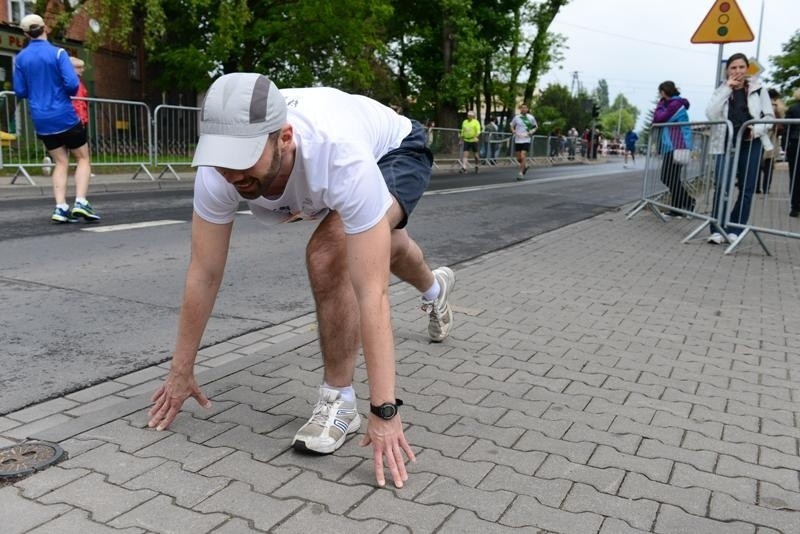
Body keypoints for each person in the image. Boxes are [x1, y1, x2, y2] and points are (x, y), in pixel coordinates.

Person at [145, 73, 456, 489]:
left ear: (285, 138)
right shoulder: (218, 173)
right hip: (345, 171)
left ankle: (339, 402)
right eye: (223, 159)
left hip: (394, 150)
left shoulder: (340, 156)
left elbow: (371, 292)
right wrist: (180, 371)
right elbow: (204, 272)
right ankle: (434, 288)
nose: (233, 175)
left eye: (245, 159)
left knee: (331, 254)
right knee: (388, 244)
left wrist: (384, 411)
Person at [13, 14, 99, 223]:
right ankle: (81, 202)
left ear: (25, 34)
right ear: (45, 28)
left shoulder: (20, 59)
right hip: (64, 114)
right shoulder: (58, 53)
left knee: (60, 162)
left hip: (41, 119)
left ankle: (60, 207)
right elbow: (71, 84)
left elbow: (20, 90)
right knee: (83, 158)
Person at [706, 53, 775, 243]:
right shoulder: (721, 89)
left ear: (747, 69)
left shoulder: (759, 89)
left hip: (750, 142)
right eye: (733, 68)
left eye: (741, 67)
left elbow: (769, 116)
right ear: (727, 70)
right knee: (722, 186)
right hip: (725, 143)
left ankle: (735, 228)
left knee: (747, 187)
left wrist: (757, 129)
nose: (737, 71)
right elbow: (711, 114)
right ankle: (717, 228)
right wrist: (726, 89)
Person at [653, 81, 694, 215]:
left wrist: (659, 105)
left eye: (660, 92)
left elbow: (659, 119)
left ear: (664, 92)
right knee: (673, 178)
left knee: (667, 177)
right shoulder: (674, 104)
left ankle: (688, 201)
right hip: (674, 145)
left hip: (677, 145)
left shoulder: (675, 105)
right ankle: (677, 209)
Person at [756, 88, 785, 194]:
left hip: (760, 137)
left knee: (757, 164)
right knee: (769, 165)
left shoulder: (761, 105)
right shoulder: (779, 107)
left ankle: (756, 187)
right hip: (772, 138)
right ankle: (766, 188)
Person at [509, 103, 537, 179]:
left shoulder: (531, 117)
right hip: (518, 140)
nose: (524, 109)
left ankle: (521, 173)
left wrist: (531, 132)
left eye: (525, 108)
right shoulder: (517, 117)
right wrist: (513, 131)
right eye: (522, 108)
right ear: (520, 109)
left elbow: (535, 127)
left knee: (523, 156)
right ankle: (525, 165)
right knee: (518, 158)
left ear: (527, 109)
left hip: (526, 139)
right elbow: (512, 125)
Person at [786, 88, 800, 217]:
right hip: (795, 142)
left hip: (795, 144)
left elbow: (787, 128)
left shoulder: (792, 108)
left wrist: (786, 146)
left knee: (795, 175)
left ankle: (795, 206)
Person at [69, 57, 89, 126]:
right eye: (79, 67)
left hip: (77, 118)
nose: (82, 70)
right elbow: (78, 102)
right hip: (76, 119)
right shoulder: (74, 82)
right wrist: (81, 120)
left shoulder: (78, 82)